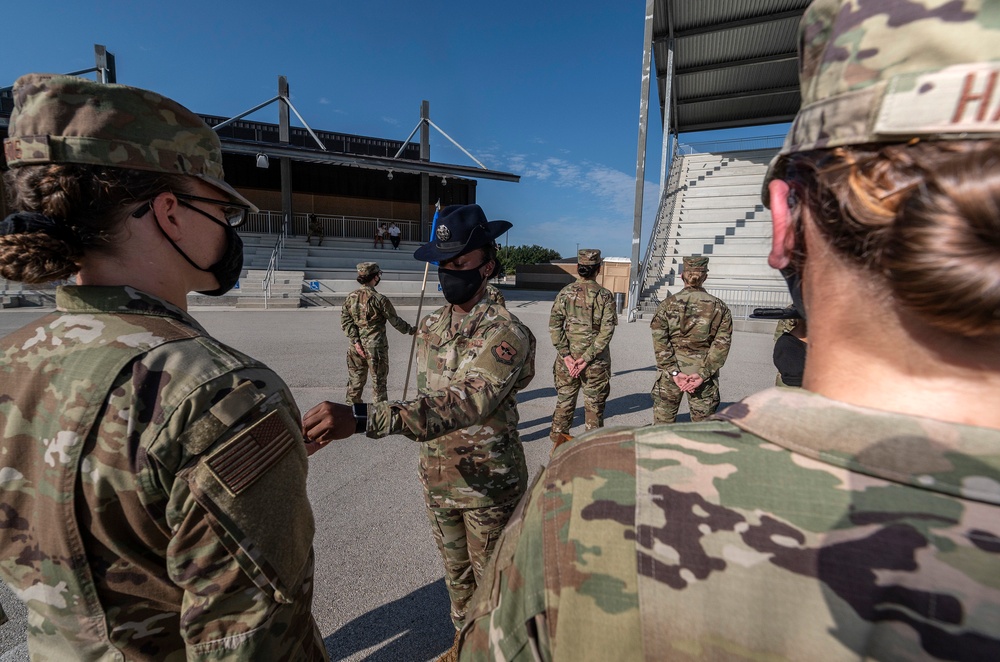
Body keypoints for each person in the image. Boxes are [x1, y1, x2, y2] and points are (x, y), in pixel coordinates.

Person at [458, 1, 1000, 659]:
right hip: (630, 370)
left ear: (784, 219)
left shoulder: (591, 497)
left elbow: (656, 334)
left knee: (629, 428)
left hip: (630, 381)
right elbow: (646, 330)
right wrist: (652, 364)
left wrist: (657, 368)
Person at [0, 74, 328, 660]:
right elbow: (254, 643)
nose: (230, 228)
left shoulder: (12, 357)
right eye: (221, 208)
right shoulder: (219, 395)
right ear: (170, 212)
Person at [304, 204, 535, 661]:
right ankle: (463, 647)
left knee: (497, 596)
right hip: (438, 480)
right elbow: (428, 397)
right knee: (458, 588)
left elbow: (467, 401)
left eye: (460, 265)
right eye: (442, 266)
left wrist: (368, 417)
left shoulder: (507, 332)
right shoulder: (431, 325)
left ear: (487, 266)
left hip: (487, 486)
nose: (449, 275)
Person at [547, 248, 617, 449]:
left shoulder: (565, 293)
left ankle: (557, 451)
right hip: (595, 363)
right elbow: (607, 331)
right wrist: (586, 358)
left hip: (566, 363)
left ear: (578, 268)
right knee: (594, 408)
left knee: (564, 403)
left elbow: (554, 325)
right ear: (599, 269)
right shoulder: (604, 296)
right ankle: (591, 453)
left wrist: (566, 355)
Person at [649, 255, 732, 423]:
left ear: (682, 276)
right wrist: (703, 374)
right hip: (702, 375)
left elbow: (661, 343)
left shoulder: (667, 305)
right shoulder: (719, 307)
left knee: (661, 429)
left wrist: (674, 371)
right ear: (705, 278)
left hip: (669, 375)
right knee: (702, 432)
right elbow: (721, 347)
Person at [342, 261, 416, 402]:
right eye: (378, 274)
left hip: (355, 348)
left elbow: (346, 321)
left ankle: (350, 415)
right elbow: (396, 321)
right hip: (375, 348)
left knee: (355, 383)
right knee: (379, 385)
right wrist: (411, 330)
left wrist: (355, 341)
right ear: (375, 277)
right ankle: (380, 418)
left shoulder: (350, 297)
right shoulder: (379, 299)